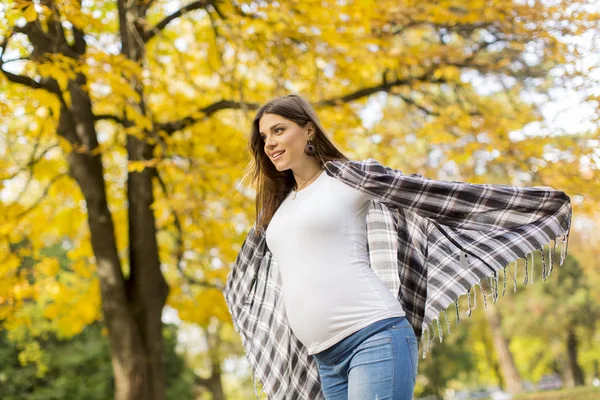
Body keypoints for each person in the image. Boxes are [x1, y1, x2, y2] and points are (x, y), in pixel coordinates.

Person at [224, 94, 572, 400]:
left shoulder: (350, 179)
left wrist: (529, 207)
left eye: (279, 129)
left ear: (309, 129)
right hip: (323, 359)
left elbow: (434, 195)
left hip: (373, 337)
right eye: (264, 136)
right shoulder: (278, 208)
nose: (269, 142)